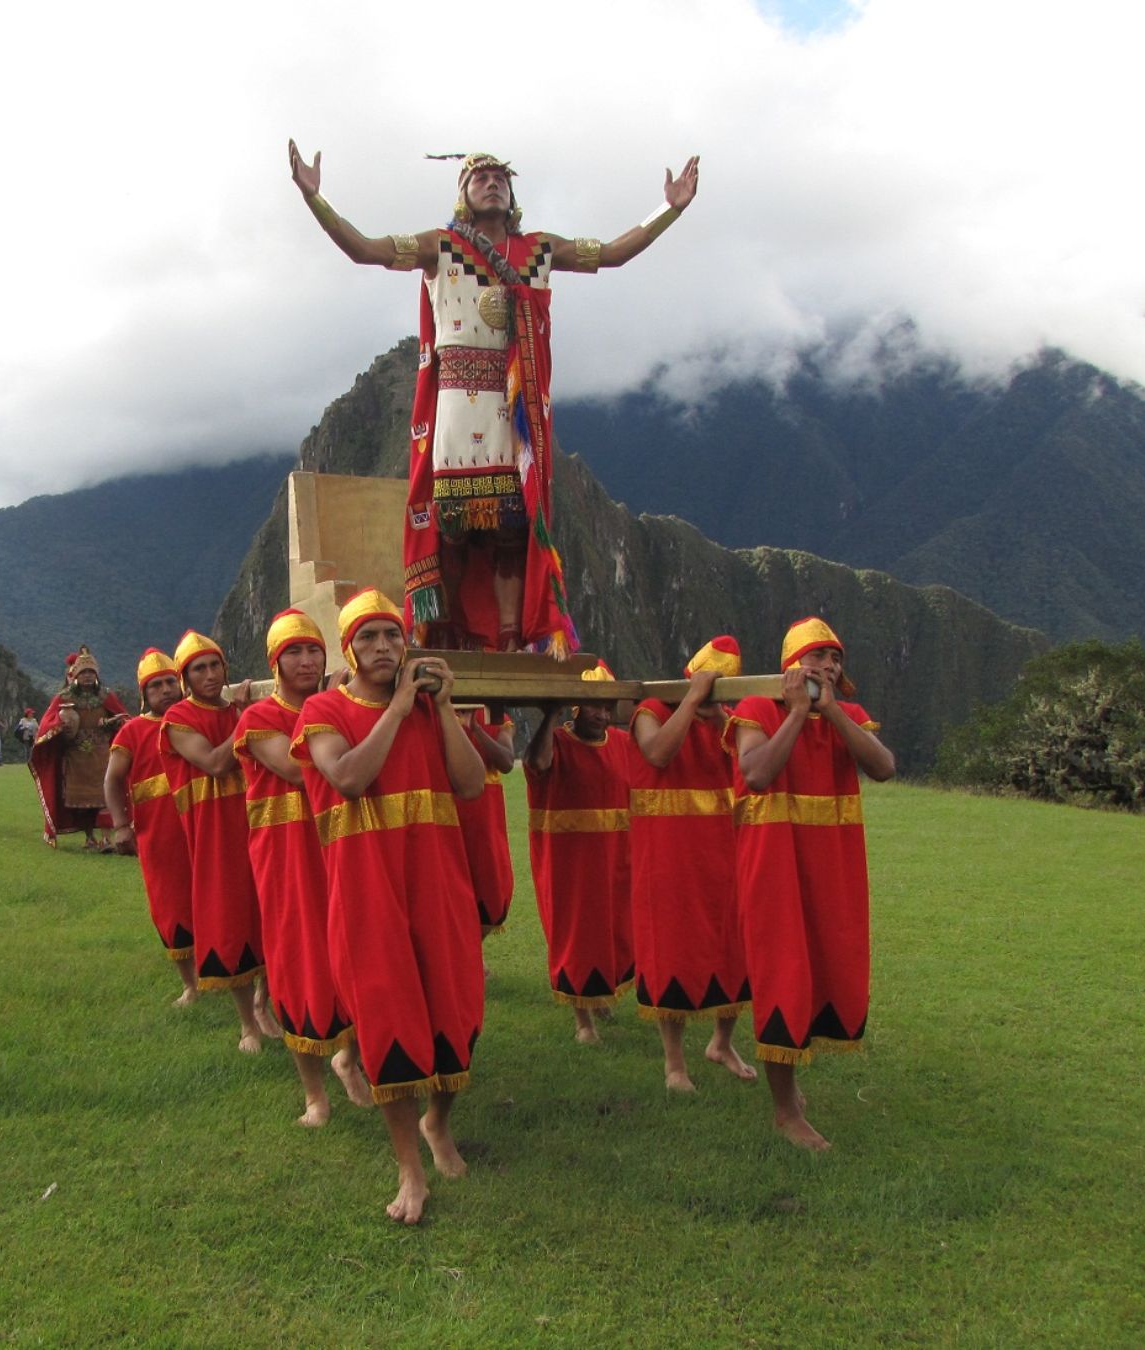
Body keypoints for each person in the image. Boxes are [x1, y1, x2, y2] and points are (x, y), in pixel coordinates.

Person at [290, 141, 698, 653]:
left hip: (514, 407)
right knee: (454, 526)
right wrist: (315, 200)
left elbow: (613, 254)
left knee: (510, 525)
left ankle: (509, 635)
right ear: (463, 195)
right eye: (479, 178)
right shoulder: (438, 246)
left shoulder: (540, 251)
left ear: (512, 195)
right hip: (457, 404)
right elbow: (365, 249)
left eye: (500, 179)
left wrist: (671, 209)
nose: (492, 184)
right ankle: (448, 632)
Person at [292, 590, 486, 1225]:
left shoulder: (432, 712)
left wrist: (445, 706)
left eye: (392, 636)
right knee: (389, 1018)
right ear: (348, 649)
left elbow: (470, 782)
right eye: (369, 637)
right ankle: (409, 1167)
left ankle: (438, 1123)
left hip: (437, 879)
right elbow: (347, 777)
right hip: (366, 888)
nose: (383, 647)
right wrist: (400, 709)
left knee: (454, 1008)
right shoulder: (322, 710)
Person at [725, 618, 895, 1152]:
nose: (827, 666)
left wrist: (832, 714)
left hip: (833, 865)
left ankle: (791, 1093)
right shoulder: (756, 710)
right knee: (784, 971)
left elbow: (884, 767)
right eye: (816, 657)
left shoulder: (850, 717)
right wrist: (798, 714)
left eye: (835, 658)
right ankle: (783, 1110)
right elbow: (755, 774)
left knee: (827, 967)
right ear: (792, 666)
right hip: (774, 864)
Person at [234, 609, 371, 1126]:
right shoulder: (257, 718)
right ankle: (314, 1095)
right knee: (298, 962)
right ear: (275, 662)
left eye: (314, 650)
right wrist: (330, 708)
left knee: (356, 949)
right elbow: (297, 767)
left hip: (338, 840)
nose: (307, 660)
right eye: (294, 652)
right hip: (285, 854)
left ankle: (349, 1056)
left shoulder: (337, 707)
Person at [627, 636, 756, 1093]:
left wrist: (720, 714)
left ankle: (722, 1042)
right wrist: (693, 701)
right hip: (667, 855)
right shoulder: (652, 710)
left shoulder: (729, 725)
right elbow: (657, 753)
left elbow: (752, 766)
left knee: (733, 945)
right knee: (672, 950)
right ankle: (674, 1063)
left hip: (723, 852)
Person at [160, 630, 278, 1052]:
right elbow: (213, 761)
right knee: (230, 919)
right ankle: (247, 1023)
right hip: (214, 835)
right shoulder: (178, 720)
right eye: (198, 669)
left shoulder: (240, 710)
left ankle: (265, 1002)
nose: (209, 675)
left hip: (258, 819)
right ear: (185, 678)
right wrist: (250, 719)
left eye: (214, 666)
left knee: (269, 911)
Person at [524, 661, 634, 1044]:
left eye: (606, 707)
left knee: (611, 930)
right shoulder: (556, 742)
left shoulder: (622, 743)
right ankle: (582, 1020)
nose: (602, 715)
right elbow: (537, 763)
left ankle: (600, 995)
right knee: (576, 934)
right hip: (569, 862)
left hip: (614, 857)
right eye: (594, 706)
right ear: (575, 707)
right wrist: (550, 713)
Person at [105, 649, 198, 1004]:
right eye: (156, 685)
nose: (166, 690)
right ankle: (190, 983)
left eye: (170, 682)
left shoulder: (197, 719)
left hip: (201, 825)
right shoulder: (132, 731)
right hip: (159, 834)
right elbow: (112, 781)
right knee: (170, 904)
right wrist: (120, 826)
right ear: (145, 693)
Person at [29, 647, 130, 850]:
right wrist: (61, 724)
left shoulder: (106, 696)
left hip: (102, 753)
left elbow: (124, 717)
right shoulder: (64, 698)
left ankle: (106, 839)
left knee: (105, 796)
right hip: (75, 755)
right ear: (75, 675)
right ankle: (89, 837)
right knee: (83, 801)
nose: (87, 676)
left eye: (91, 672)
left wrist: (113, 723)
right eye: (83, 672)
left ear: (97, 675)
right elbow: (48, 722)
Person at [458, 708, 516, 942]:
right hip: (448, 807)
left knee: (488, 884)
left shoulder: (495, 714)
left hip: (485, 813)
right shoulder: (432, 708)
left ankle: (474, 953)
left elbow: (507, 762)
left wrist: (477, 729)